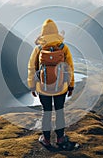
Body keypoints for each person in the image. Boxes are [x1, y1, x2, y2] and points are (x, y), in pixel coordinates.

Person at [28, 19, 74, 148]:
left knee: (46, 112)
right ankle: (60, 138)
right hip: (61, 87)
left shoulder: (38, 48)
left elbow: (32, 68)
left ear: (42, 32)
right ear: (56, 31)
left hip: (43, 88)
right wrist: (70, 85)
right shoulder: (63, 47)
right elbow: (70, 67)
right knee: (60, 111)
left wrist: (32, 85)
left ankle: (46, 139)